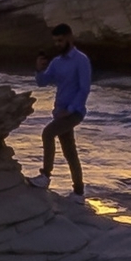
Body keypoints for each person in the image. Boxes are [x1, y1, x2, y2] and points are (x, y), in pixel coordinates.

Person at [36, 26, 95, 191]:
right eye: (55, 41)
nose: (58, 44)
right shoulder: (56, 62)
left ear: (70, 37)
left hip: (74, 112)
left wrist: (69, 110)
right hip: (60, 112)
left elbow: (84, 88)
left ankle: (45, 176)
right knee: (70, 152)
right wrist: (39, 69)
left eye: (61, 40)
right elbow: (42, 82)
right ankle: (78, 192)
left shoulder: (81, 60)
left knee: (48, 133)